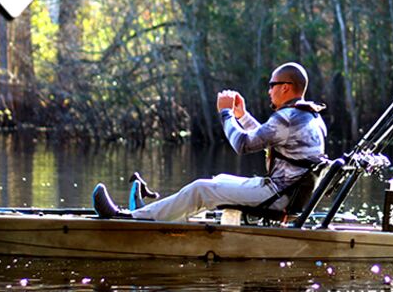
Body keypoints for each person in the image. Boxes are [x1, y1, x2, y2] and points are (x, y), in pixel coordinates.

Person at [92, 62, 327, 222]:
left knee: (201, 188)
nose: (269, 91)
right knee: (219, 181)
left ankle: (131, 219)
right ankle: (156, 215)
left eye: (271, 85)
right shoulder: (307, 116)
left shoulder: (287, 118)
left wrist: (225, 114)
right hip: (284, 193)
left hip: (277, 196)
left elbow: (242, 145)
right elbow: (267, 139)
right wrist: (241, 116)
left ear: (285, 87)